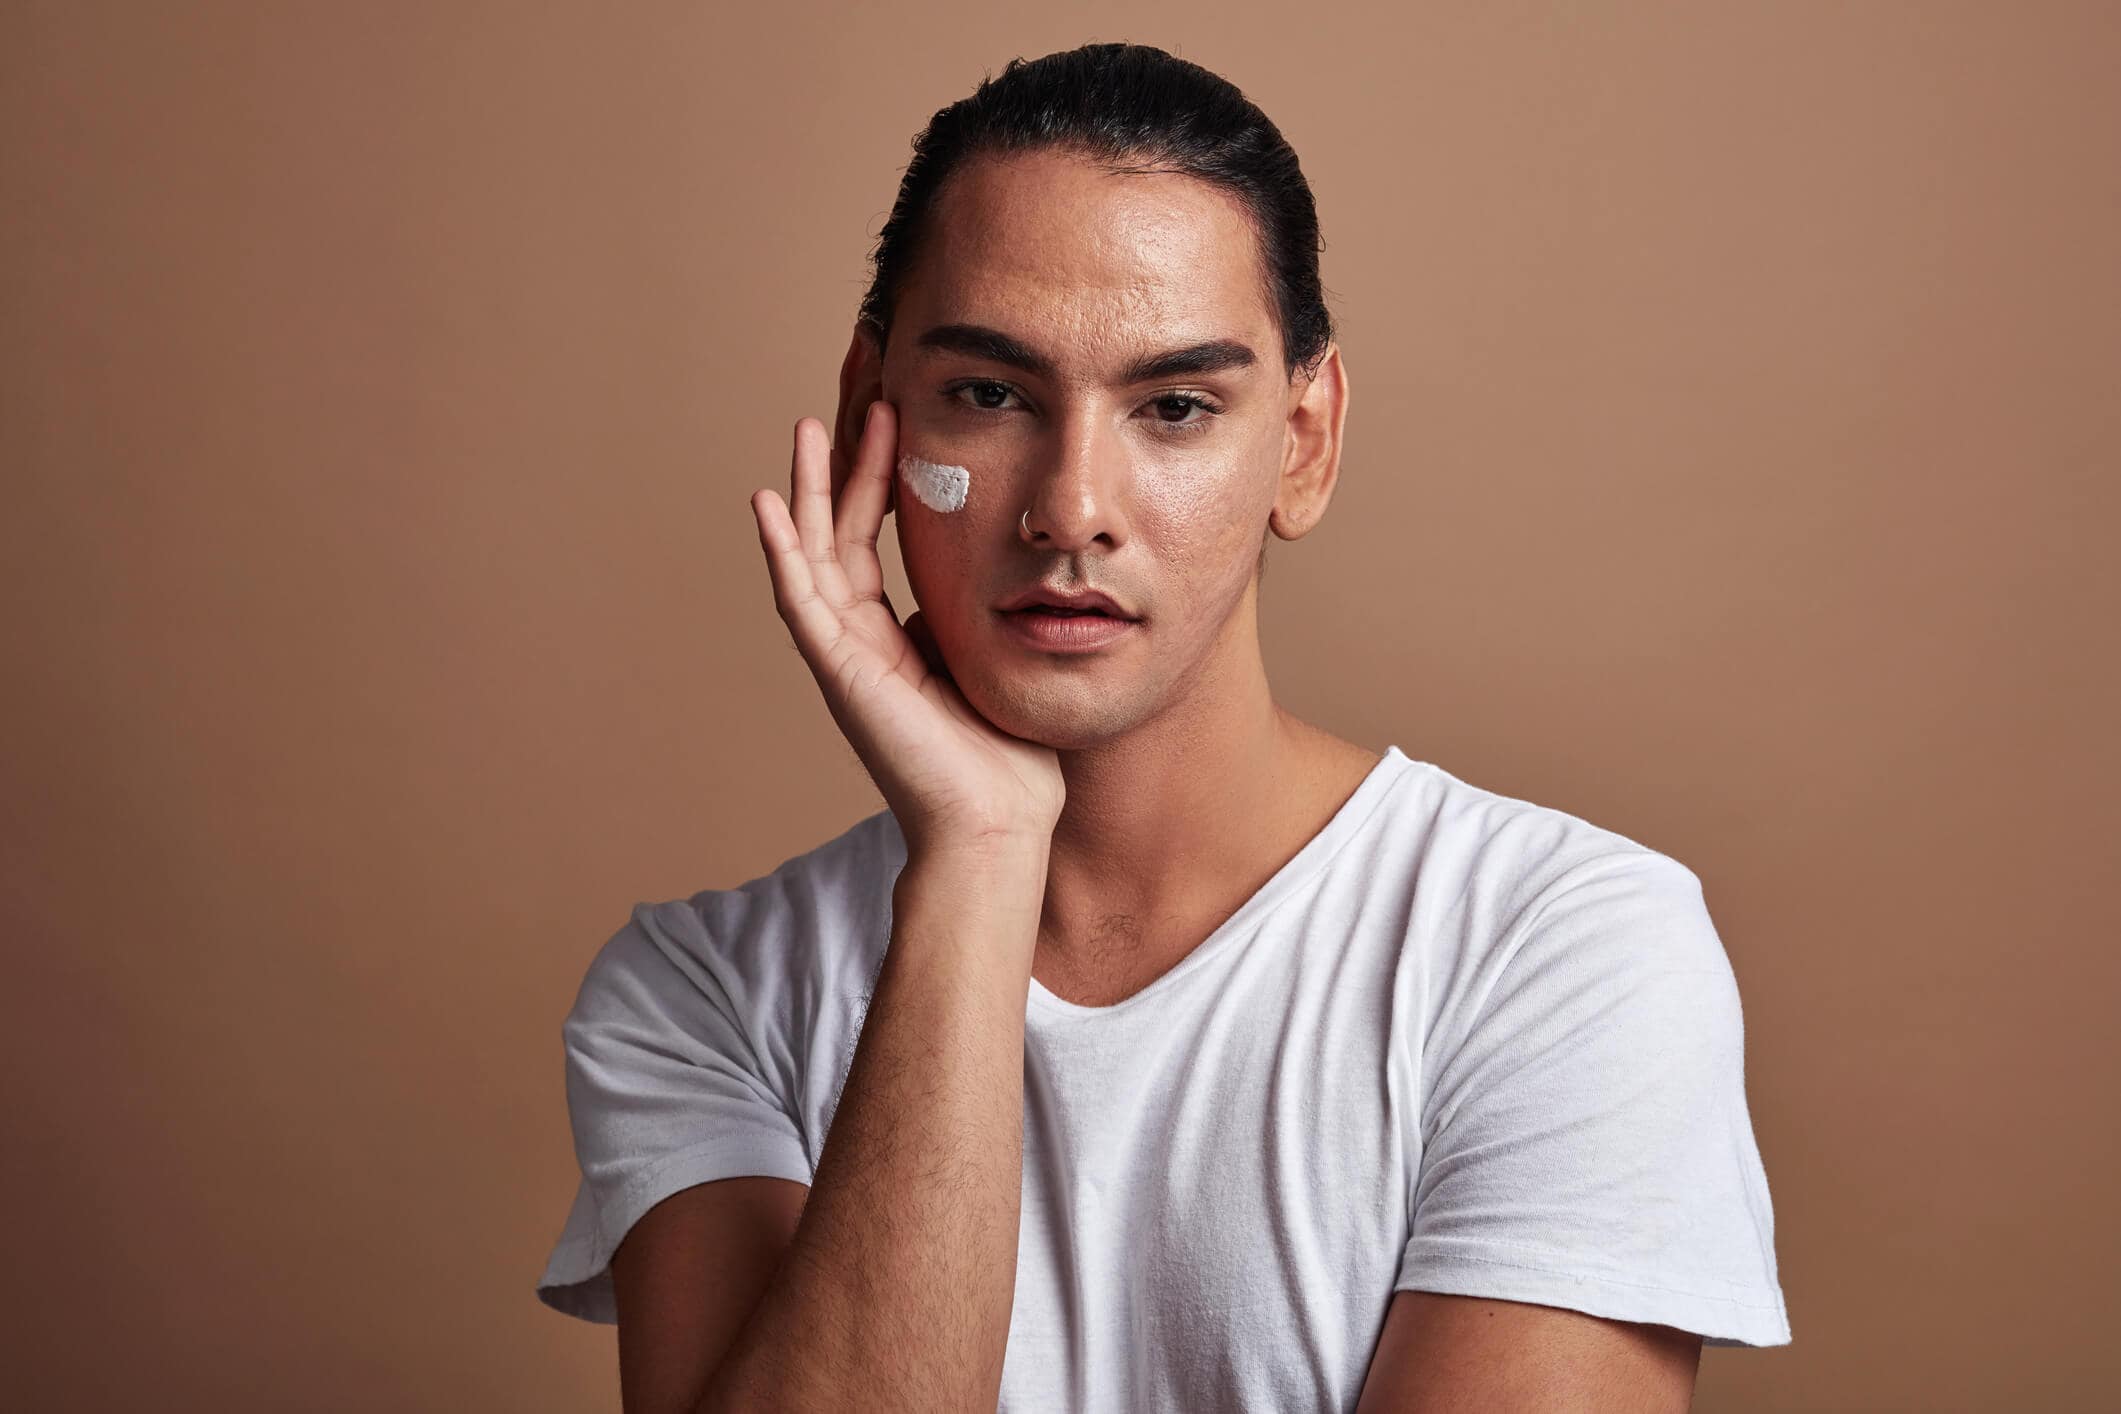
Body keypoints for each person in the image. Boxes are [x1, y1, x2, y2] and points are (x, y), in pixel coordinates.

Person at [534, 42, 1789, 1413]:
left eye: (1175, 407)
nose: (1070, 508)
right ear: (870, 418)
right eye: (990, 395)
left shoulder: (1556, 950)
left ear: (1302, 442)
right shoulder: (702, 995)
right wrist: (980, 853)